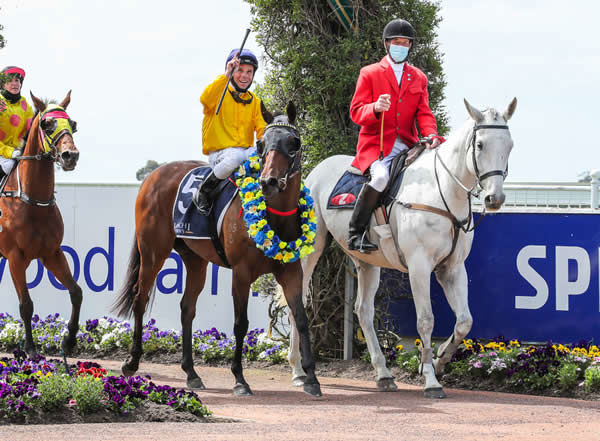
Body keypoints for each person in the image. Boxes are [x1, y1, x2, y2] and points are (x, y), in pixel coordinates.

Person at [347, 18, 445, 253]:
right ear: (387, 44)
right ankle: (355, 233)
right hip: (377, 145)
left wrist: (431, 134)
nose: (401, 46)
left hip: (408, 144)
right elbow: (356, 112)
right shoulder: (369, 73)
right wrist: (375, 108)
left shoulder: (418, 77)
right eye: (396, 42)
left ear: (410, 46)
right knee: (380, 177)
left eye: (405, 42)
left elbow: (424, 113)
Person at [193, 48, 267, 216]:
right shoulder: (218, 93)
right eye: (239, 70)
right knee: (235, 157)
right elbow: (205, 99)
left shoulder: (255, 101)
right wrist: (225, 75)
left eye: (249, 72)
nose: (244, 76)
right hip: (220, 155)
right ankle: (204, 190)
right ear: (231, 70)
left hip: (245, 152)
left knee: (266, 155)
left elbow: (262, 130)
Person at [0, 66, 33, 181]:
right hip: (3, 153)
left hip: (19, 153)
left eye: (17, 80)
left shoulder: (25, 105)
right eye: (10, 81)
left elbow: (31, 131)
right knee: (8, 165)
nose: (15, 84)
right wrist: (9, 152)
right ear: (3, 85)